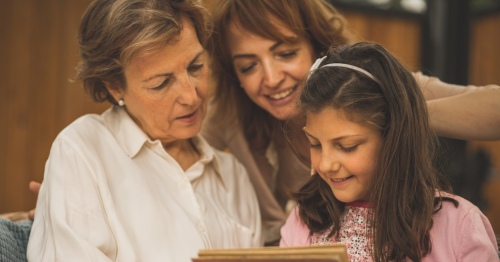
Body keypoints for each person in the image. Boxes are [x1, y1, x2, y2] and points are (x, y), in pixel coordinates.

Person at [203, 0, 500, 244]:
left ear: (318, 46)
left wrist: (396, 113)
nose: (270, 77)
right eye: (248, 66)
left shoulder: (373, 86)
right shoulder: (229, 115)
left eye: (286, 53)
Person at [26, 0, 261, 261]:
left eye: (195, 67)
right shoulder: (82, 150)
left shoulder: (233, 176)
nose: (191, 97)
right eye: (161, 83)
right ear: (115, 86)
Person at [279, 41, 498, 261]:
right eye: (315, 144)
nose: (325, 164)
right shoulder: (303, 222)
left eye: (347, 147)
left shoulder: (459, 227)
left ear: (395, 137)